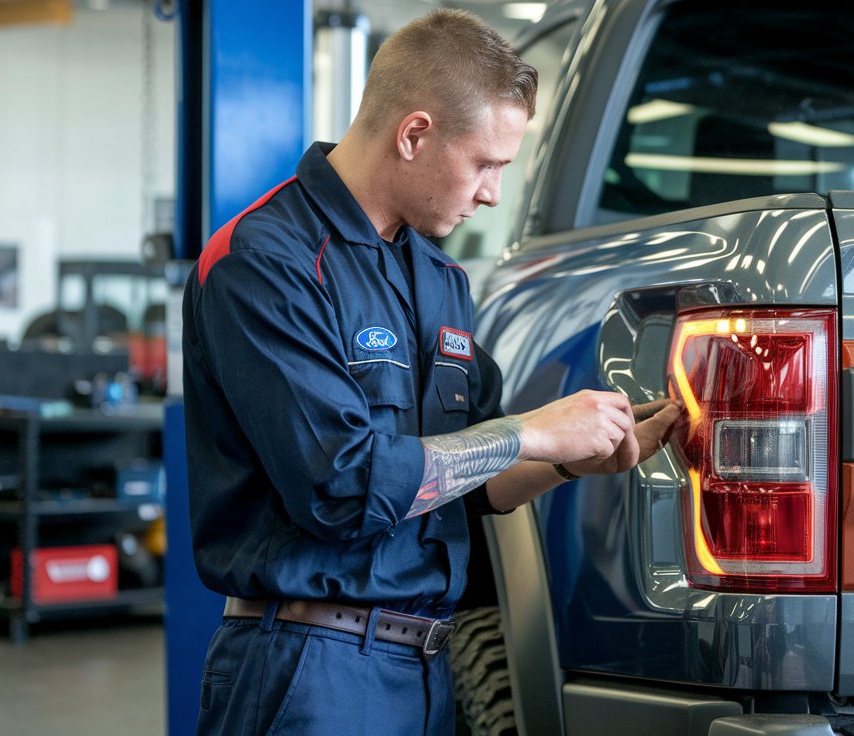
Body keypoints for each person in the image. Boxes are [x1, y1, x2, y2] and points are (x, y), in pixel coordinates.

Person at [181, 9, 680, 735]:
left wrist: (574, 459)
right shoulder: (267, 262)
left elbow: (468, 481)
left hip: (423, 670)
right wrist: (530, 433)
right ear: (414, 134)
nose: (493, 194)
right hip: (309, 668)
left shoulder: (438, 277)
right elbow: (344, 490)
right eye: (487, 163)